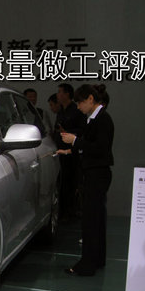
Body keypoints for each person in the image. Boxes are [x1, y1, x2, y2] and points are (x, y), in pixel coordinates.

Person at [57, 84, 114, 276]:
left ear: (90, 99)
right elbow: (90, 145)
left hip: (97, 174)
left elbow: (99, 148)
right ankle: (97, 259)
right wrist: (70, 150)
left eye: (80, 102)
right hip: (95, 173)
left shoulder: (102, 119)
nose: (79, 107)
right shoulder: (95, 119)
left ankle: (87, 264)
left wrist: (74, 141)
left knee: (90, 220)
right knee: (96, 219)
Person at [54, 83, 86, 220]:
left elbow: (83, 130)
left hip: (72, 152)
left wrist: (68, 133)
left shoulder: (76, 110)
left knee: (71, 182)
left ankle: (70, 212)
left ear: (67, 94)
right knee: (61, 182)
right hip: (61, 150)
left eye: (60, 92)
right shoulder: (61, 110)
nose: (58, 95)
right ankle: (62, 212)